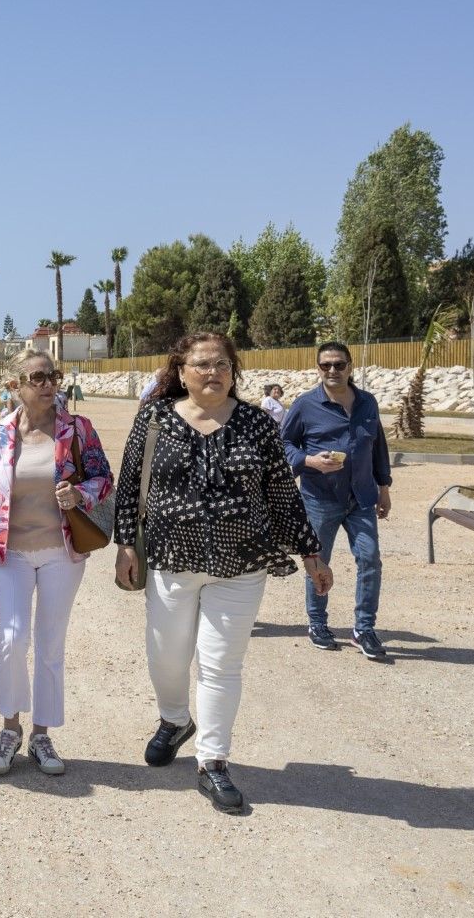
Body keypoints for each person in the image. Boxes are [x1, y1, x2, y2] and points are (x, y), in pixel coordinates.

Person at [112, 331, 328, 813]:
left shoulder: (256, 423)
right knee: (166, 657)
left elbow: (281, 494)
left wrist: (310, 552)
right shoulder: (154, 418)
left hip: (242, 562)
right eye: (202, 364)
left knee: (221, 665)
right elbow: (128, 486)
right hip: (170, 560)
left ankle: (212, 762)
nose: (213, 373)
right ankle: (173, 719)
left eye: (223, 365)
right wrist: (125, 543)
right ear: (181, 370)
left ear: (235, 371)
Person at [0, 349, 112, 776]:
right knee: (12, 638)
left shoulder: (77, 429)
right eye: (36, 377)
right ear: (15, 386)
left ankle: (42, 734)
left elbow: (104, 479)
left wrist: (80, 495)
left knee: (50, 644)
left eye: (53, 375)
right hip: (9, 555)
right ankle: (9, 728)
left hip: (61, 554)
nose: (47, 383)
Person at [281, 343, 393, 660]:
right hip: (319, 498)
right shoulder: (304, 405)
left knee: (370, 559)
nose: (333, 370)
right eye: (326, 365)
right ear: (318, 368)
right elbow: (283, 444)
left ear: (350, 366)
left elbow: (377, 447)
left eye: (339, 365)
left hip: (361, 497)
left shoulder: (367, 403)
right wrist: (310, 461)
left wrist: (384, 487)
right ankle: (318, 624)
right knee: (317, 563)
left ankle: (364, 629)